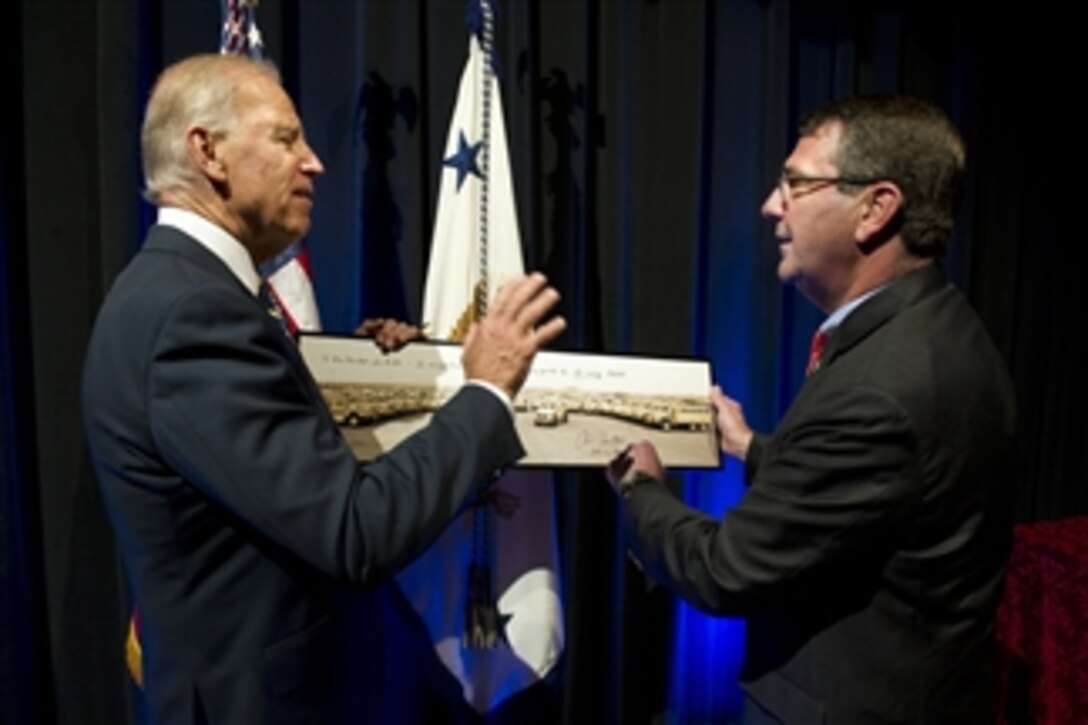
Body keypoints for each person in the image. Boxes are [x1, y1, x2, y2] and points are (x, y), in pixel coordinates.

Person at [82, 53, 565, 723]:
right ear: (208, 151)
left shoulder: (192, 294)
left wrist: (377, 375)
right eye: (285, 138)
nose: (314, 162)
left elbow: (279, 480)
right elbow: (353, 530)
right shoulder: (193, 314)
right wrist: (484, 391)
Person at [607, 96, 1016, 723]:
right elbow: (877, 492)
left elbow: (726, 570)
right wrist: (752, 446)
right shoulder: (939, 326)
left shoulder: (879, 386)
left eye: (795, 183)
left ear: (875, 209)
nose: (772, 205)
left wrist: (641, 491)